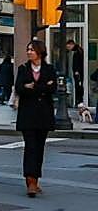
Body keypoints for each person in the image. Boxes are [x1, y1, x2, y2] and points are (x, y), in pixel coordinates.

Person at [15, 39, 57, 197]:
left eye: (31, 50)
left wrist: (32, 87)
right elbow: (19, 88)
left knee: (39, 148)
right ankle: (30, 181)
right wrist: (40, 87)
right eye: (28, 50)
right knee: (30, 147)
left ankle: (36, 180)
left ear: (39, 52)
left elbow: (52, 88)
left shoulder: (49, 69)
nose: (29, 52)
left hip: (44, 115)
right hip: (28, 115)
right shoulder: (23, 69)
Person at [66, 40, 84, 105]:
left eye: (68, 47)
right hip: (78, 72)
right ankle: (78, 100)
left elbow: (78, 62)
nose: (68, 49)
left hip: (78, 72)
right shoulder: (77, 50)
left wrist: (77, 71)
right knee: (78, 86)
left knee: (78, 86)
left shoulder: (78, 51)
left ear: (72, 45)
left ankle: (79, 100)